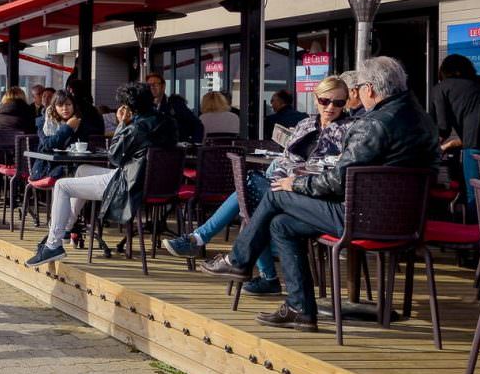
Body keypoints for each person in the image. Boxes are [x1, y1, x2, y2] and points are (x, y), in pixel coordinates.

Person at [200, 57, 438, 331]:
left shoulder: (373, 124)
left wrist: (295, 184)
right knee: (282, 225)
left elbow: (339, 182)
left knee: (276, 194)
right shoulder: (423, 119)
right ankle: (300, 309)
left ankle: (238, 261)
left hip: (360, 218)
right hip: (408, 223)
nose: (354, 94)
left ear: (370, 89)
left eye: (357, 88)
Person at [164, 75, 353, 297]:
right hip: (285, 188)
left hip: (314, 200)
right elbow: (285, 159)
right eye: (325, 101)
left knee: (251, 187)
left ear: (346, 103)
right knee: (254, 196)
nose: (331, 107)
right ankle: (262, 276)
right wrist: (283, 176)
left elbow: (331, 173)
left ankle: (202, 241)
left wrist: (291, 177)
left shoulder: (348, 130)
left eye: (338, 103)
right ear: (315, 98)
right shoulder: (306, 124)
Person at [25, 81, 175, 268]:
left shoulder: (137, 127)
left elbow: (114, 157)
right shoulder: (167, 121)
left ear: (129, 106)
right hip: (153, 182)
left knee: (62, 186)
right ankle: (66, 227)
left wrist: (121, 125)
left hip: (128, 183)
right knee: (80, 171)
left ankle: (53, 244)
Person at [145, 72, 202, 143]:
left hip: (175, 150)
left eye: (155, 84)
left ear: (163, 86)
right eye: (148, 85)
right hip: (152, 150)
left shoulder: (175, 104)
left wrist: (193, 145)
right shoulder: (145, 107)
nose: (151, 87)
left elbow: (197, 125)